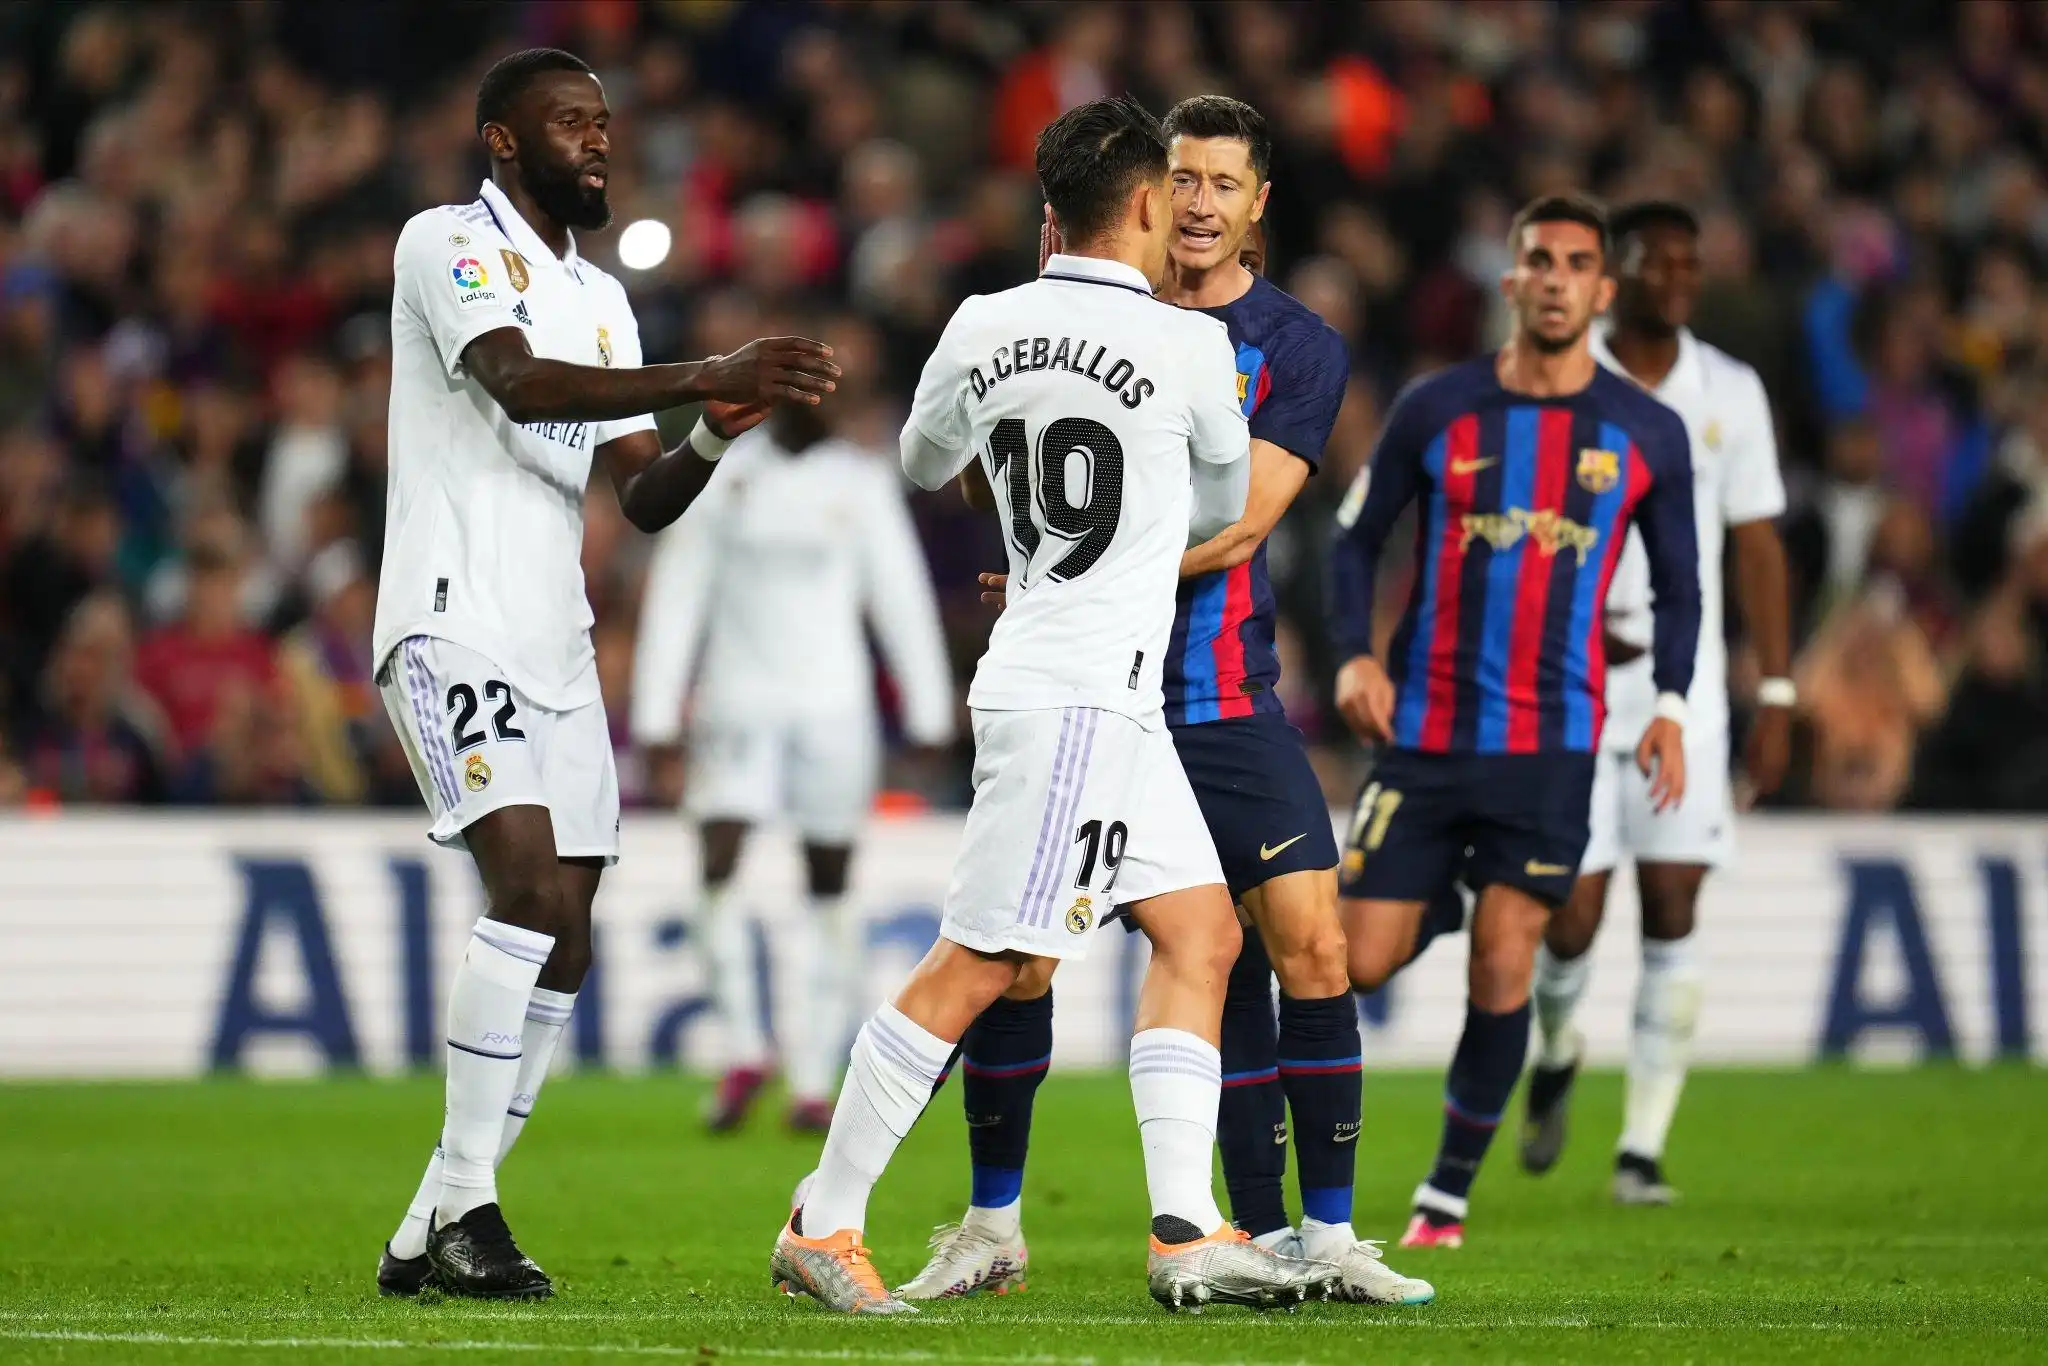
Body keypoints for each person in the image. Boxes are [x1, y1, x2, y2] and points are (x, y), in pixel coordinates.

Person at [770, 94, 1336, 1316]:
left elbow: (924, 463)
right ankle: (823, 1218)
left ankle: (1184, 1229)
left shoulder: (982, 322)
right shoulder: (1188, 347)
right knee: (988, 960)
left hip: (1084, 689)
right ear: (1142, 203)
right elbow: (1211, 506)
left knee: (1202, 933)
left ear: (1047, 215)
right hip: (1079, 695)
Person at [900, 95, 1431, 1309]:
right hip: (1090, 688)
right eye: (1181, 179)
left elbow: (1244, 524)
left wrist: (1075, 564)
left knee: (1308, 941)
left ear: (1257, 205)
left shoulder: (1290, 344)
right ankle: (991, 1226)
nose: (1197, 204)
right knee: (1021, 964)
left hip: (1220, 694)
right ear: (1144, 194)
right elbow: (982, 467)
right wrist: (1049, 545)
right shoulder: (1070, 313)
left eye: (1222, 184)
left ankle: (1322, 1237)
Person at [371, 47, 839, 1301]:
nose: (596, 139)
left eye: (603, 122)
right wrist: (705, 371)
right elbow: (517, 383)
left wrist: (710, 433)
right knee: (525, 890)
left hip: (557, 641)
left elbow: (641, 496)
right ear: (502, 138)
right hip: (451, 615)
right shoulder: (446, 244)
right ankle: (471, 1211)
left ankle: (429, 1219)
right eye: (569, 120)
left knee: (569, 936)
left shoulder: (600, 299)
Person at [1327, 193, 1702, 1250]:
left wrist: (1672, 705)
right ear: (1510, 280)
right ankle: (1444, 898)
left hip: (1551, 748)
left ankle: (1442, 1198)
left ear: (1602, 289)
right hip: (1424, 736)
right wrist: (1354, 653)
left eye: (1576, 263)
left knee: (1506, 959)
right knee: (1356, 961)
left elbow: (1681, 586)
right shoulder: (1436, 407)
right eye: (1538, 259)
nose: (1555, 279)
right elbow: (1353, 540)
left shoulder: (1646, 431)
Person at [1520, 202, 1793, 1207]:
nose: (1678, 278)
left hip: (1683, 699)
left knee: (1673, 902)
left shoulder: (1728, 390)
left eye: (1690, 263)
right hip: (1568, 689)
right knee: (1570, 920)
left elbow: (1756, 543)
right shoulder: (1555, 373)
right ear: (1613, 276)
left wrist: (1776, 688)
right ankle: (1555, 1046)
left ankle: (1640, 1148)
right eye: (1656, 262)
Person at [630, 316, 955, 1135]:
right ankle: (745, 1046)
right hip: (737, 701)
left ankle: (812, 1076)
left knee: (830, 881)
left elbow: (900, 596)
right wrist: (657, 711)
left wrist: (927, 707)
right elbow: (679, 592)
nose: (815, 404)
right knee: (717, 861)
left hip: (832, 707)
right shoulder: (727, 475)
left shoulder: (860, 480)